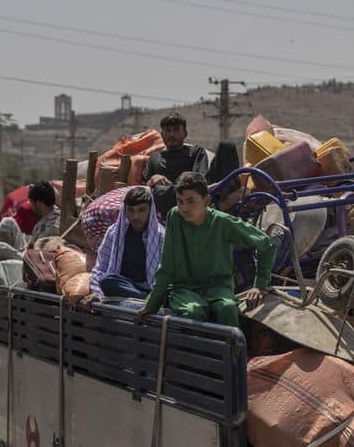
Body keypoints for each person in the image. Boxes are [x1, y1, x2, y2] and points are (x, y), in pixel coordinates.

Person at [137, 172, 275, 326]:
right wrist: (151, 304)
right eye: (180, 201)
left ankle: (229, 349)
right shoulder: (174, 217)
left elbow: (265, 244)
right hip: (184, 289)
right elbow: (167, 265)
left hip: (218, 288)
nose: (184, 208)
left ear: (207, 200)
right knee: (193, 311)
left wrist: (260, 285)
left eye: (190, 202)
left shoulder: (222, 222)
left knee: (227, 309)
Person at [143, 112, 240, 216]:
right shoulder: (155, 158)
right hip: (169, 199)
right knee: (158, 192)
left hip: (197, 193)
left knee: (227, 146)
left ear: (185, 133)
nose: (171, 134)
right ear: (162, 135)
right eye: (168, 131)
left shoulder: (196, 152)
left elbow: (199, 180)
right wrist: (153, 178)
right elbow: (144, 188)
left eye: (176, 130)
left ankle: (229, 199)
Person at [89, 187, 165, 300]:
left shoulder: (161, 235)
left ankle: (150, 298)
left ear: (150, 210)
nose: (135, 217)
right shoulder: (114, 232)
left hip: (150, 287)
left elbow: (165, 273)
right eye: (130, 210)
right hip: (123, 284)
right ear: (124, 210)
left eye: (142, 210)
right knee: (106, 281)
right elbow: (100, 268)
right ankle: (145, 299)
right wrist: (96, 292)